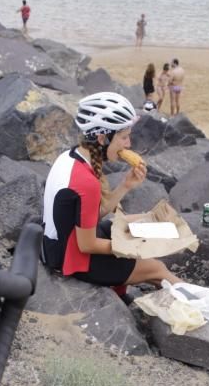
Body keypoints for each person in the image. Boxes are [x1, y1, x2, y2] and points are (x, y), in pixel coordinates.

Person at [42, 92, 180, 289]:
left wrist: (125, 185)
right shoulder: (86, 182)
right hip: (72, 259)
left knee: (148, 219)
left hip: (61, 243)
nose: (128, 145)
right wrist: (129, 248)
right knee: (157, 269)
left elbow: (88, 216)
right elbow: (87, 245)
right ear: (102, 138)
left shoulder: (71, 157)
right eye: (124, 137)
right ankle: (204, 306)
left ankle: (126, 284)